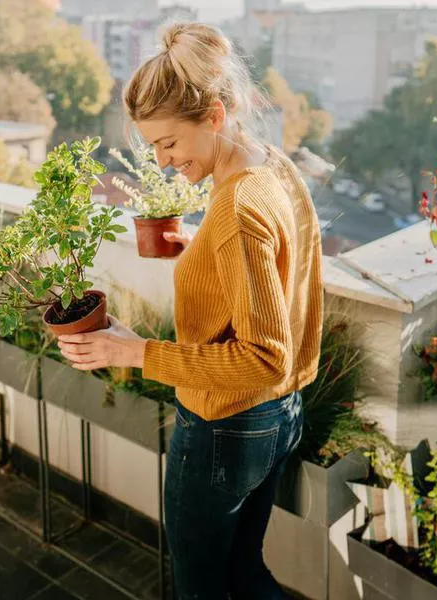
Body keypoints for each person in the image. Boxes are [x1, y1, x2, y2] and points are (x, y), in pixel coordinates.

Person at [57, 22, 324, 600]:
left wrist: (131, 351)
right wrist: (198, 247)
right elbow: (281, 260)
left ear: (215, 117)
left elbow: (262, 358)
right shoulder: (269, 164)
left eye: (169, 143)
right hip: (278, 417)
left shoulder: (238, 208)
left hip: (227, 425)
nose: (161, 160)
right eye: (152, 147)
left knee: (202, 587)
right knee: (244, 574)